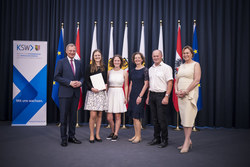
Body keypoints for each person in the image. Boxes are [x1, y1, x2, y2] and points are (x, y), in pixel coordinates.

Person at [54, 43, 83, 147]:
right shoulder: (61, 62)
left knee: (73, 118)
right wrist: (69, 82)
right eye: (70, 50)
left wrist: (80, 83)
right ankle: (64, 138)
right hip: (64, 94)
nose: (72, 52)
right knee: (63, 118)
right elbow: (56, 77)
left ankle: (72, 136)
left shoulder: (79, 63)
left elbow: (82, 77)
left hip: (75, 94)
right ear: (66, 51)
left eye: (74, 50)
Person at [175, 45, 201, 153]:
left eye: (187, 53)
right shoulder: (180, 66)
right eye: (184, 53)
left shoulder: (196, 64)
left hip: (190, 94)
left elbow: (196, 80)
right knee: (184, 118)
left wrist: (186, 91)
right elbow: (176, 80)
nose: (185, 55)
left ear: (191, 54)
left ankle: (186, 142)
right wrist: (177, 91)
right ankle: (188, 140)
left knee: (189, 118)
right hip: (180, 95)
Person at [146, 50, 173, 148]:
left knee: (162, 119)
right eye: (154, 56)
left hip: (162, 95)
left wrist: (167, 96)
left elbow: (170, 83)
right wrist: (148, 96)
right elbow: (150, 84)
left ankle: (165, 139)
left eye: (157, 56)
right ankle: (157, 138)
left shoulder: (167, 68)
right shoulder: (150, 69)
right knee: (155, 119)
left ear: (161, 56)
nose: (155, 57)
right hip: (152, 95)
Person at [84, 49, 108, 143]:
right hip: (93, 93)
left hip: (101, 93)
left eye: (98, 55)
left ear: (101, 56)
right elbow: (86, 81)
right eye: (95, 55)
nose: (97, 57)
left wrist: (106, 85)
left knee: (99, 114)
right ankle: (91, 134)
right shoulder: (89, 67)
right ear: (93, 57)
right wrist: (91, 88)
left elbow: (105, 80)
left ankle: (97, 134)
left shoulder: (104, 67)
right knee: (93, 115)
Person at [106, 55, 128, 141]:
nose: (117, 62)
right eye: (115, 60)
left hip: (119, 93)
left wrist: (126, 97)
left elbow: (126, 85)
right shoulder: (109, 72)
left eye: (118, 61)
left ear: (121, 62)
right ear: (112, 62)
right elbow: (107, 84)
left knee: (118, 116)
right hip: (110, 93)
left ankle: (116, 133)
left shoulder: (124, 72)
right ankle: (112, 131)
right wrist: (105, 95)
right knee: (109, 117)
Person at [127, 52, 149, 144]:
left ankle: (139, 136)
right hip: (132, 95)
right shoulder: (132, 71)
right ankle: (136, 135)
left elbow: (146, 84)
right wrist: (128, 95)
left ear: (142, 59)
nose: (137, 59)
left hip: (140, 95)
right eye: (135, 58)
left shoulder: (145, 70)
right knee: (133, 116)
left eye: (138, 58)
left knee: (137, 117)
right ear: (133, 60)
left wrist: (140, 96)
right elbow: (131, 84)